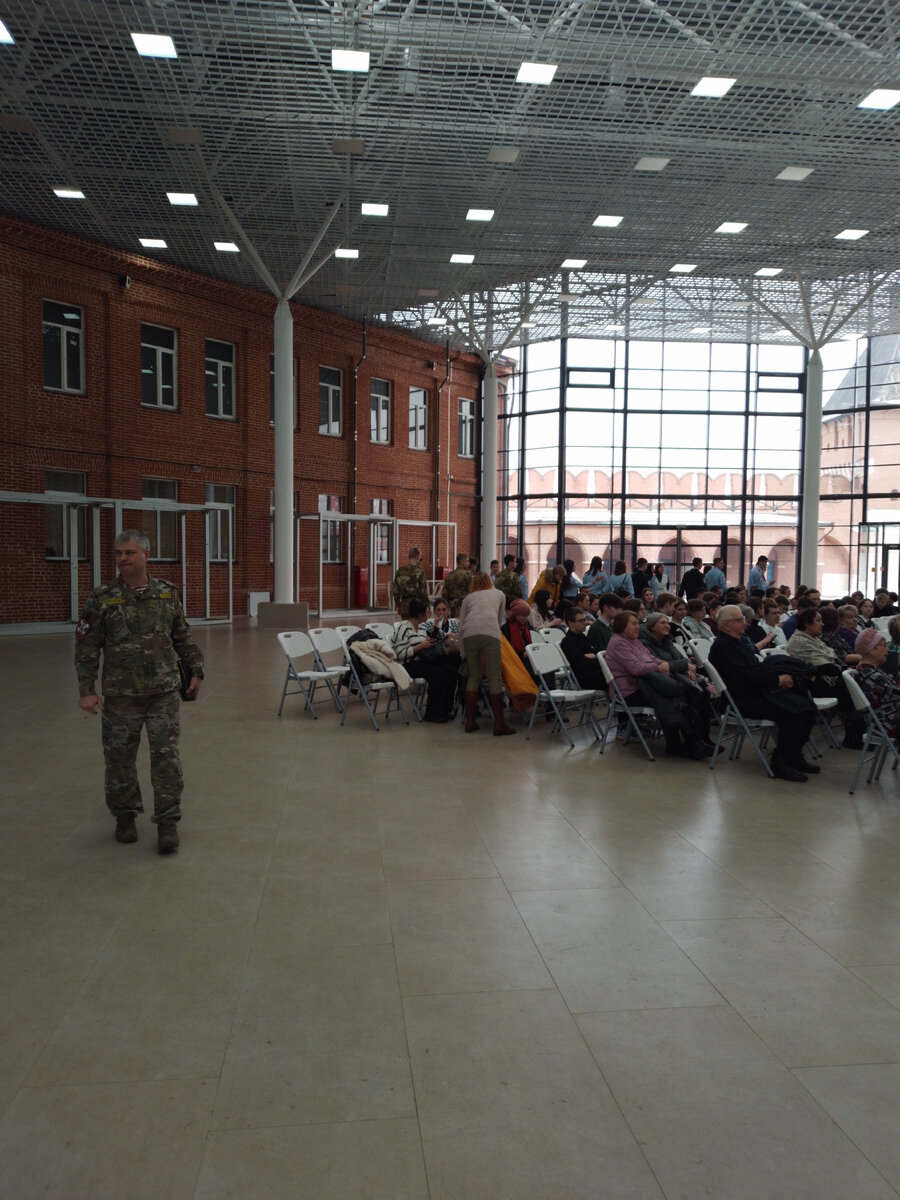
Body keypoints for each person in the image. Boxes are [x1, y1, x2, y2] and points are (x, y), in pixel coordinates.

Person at [74, 529, 203, 852]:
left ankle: (168, 823)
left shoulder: (166, 593)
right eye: (118, 553)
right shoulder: (102, 598)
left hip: (163, 693)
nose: (122, 559)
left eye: (129, 553)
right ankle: (125, 816)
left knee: (166, 760)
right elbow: (88, 646)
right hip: (121, 697)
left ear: (146, 555)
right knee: (119, 761)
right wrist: (87, 689)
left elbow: (182, 636)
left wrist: (196, 670)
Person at [708, 604, 818, 782]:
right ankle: (780, 761)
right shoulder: (722, 646)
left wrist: (778, 680)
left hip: (757, 691)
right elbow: (743, 676)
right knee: (795, 712)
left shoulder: (737, 642)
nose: (744, 623)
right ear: (726, 625)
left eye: (743, 619)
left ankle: (794, 755)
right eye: (739, 620)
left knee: (807, 706)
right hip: (742, 700)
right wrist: (776, 680)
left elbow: (754, 670)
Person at [604, 610, 716, 758]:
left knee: (679, 696)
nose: (638, 627)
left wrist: (663, 663)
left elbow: (650, 658)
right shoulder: (618, 643)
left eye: (638, 623)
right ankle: (686, 743)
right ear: (622, 626)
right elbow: (637, 668)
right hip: (628, 691)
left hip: (644, 685)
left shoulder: (634, 640)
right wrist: (659, 667)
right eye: (634, 623)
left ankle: (692, 742)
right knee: (675, 697)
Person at [458, 572, 515, 735]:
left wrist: (463, 652)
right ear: (490, 581)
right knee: (494, 678)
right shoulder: (499, 594)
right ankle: (499, 724)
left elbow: (462, 625)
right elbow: (498, 620)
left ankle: (469, 722)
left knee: (474, 676)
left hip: (469, 634)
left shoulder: (468, 598)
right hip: (490, 632)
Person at [393, 599, 459, 723]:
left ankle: (445, 709)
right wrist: (422, 646)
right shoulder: (403, 628)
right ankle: (432, 713)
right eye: (426, 612)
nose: (428, 614)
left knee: (451, 670)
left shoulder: (422, 628)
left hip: (423, 660)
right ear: (419, 615)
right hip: (409, 664)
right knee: (438, 673)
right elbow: (400, 654)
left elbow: (433, 639)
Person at [855, 628, 900, 740]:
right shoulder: (868, 674)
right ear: (872, 650)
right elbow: (895, 691)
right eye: (884, 646)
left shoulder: (873, 670)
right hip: (888, 723)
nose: (887, 650)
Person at [559, 606, 605, 690]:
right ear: (570, 623)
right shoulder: (567, 642)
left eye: (585, 619)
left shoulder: (583, 637)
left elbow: (598, 651)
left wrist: (593, 656)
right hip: (586, 678)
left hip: (595, 671)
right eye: (581, 621)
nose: (585, 623)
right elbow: (581, 662)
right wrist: (596, 656)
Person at [391, 546, 429, 618]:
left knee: (406, 626)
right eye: (420, 559)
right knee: (416, 627)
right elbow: (423, 592)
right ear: (418, 557)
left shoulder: (400, 571)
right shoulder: (420, 572)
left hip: (404, 605)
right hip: (417, 605)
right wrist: (427, 606)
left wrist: (398, 605)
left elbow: (395, 591)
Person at [501, 599, 535, 665]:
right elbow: (506, 652)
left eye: (527, 616)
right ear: (515, 614)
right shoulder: (506, 629)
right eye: (523, 616)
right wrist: (522, 655)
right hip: (514, 662)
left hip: (528, 659)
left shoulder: (526, 625)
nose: (526, 618)